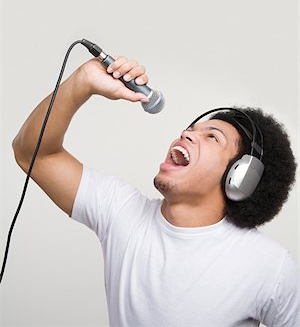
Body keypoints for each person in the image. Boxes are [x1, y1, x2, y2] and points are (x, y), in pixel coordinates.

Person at [13, 56, 300, 327]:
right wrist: (82, 81)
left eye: (212, 137)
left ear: (241, 177)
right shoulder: (122, 212)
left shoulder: (269, 266)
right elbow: (34, 154)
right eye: (191, 129)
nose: (186, 134)